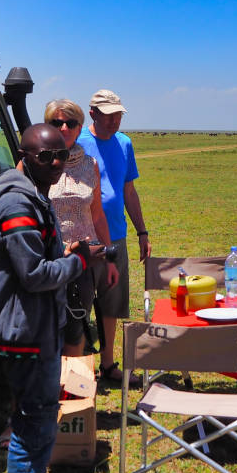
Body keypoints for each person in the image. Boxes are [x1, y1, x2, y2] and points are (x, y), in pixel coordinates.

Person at [0, 122, 90, 473]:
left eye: (62, 155)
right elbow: (32, 275)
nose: (57, 163)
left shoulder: (35, 196)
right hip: (24, 331)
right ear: (25, 157)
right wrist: (78, 264)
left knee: (43, 422)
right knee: (31, 426)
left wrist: (69, 257)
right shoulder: (17, 204)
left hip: (38, 328)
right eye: (46, 157)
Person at [76, 89, 151, 386]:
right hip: (82, 236)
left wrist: (142, 231)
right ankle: (80, 369)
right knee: (78, 303)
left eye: (118, 115)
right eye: (108, 115)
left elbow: (128, 191)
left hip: (115, 237)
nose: (114, 121)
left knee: (112, 303)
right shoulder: (77, 140)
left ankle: (107, 365)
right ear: (93, 113)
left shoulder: (124, 143)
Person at [44, 99, 120, 357]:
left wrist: (109, 259)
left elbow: (97, 215)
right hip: (48, 259)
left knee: (77, 321)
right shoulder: (35, 163)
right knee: (46, 325)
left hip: (84, 259)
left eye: (70, 123)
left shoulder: (90, 165)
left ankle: (74, 385)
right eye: (57, 122)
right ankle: (51, 386)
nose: (63, 128)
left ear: (79, 128)